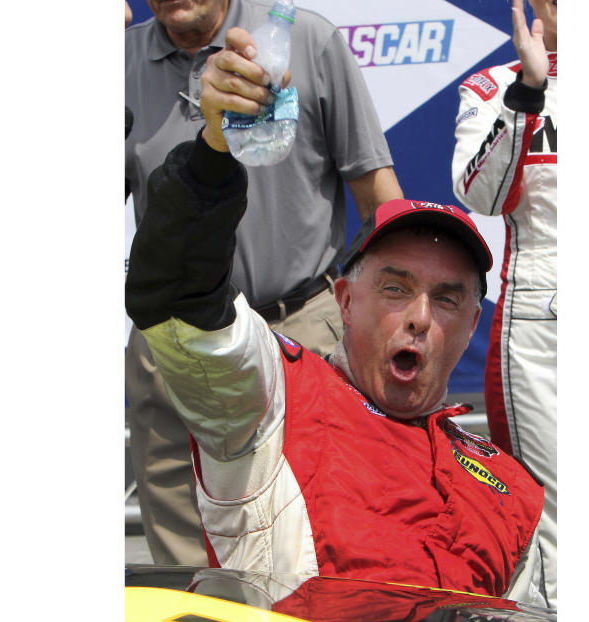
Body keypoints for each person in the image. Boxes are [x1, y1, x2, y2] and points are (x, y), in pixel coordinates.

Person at [124, 26, 546, 603]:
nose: (420, 316)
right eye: (396, 289)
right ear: (346, 302)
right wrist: (214, 153)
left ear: (474, 324)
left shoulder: (513, 490)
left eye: (446, 298)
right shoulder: (273, 403)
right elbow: (180, 298)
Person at [125, 0, 403, 565]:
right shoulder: (116, 62)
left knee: (326, 553)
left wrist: (399, 319)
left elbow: (378, 194)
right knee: (188, 576)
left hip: (303, 337)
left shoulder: (308, 41)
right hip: (172, 347)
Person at [450, 0, 557, 608]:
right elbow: (479, 195)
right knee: (557, 518)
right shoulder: (495, 86)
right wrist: (530, 91)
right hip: (547, 321)